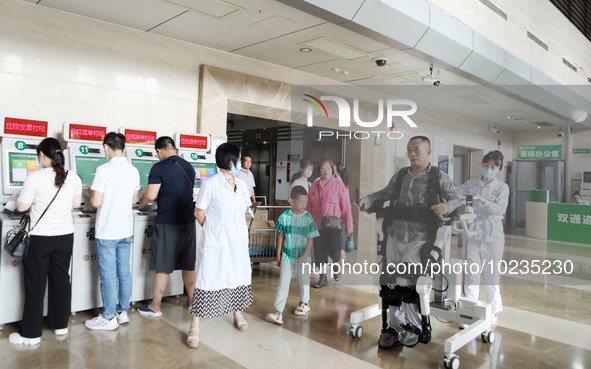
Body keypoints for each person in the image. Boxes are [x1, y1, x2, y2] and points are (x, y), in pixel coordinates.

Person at [356, 136, 462, 348]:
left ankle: (415, 326)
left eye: (417, 149)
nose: (412, 154)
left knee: (409, 282)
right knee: (390, 280)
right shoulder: (401, 175)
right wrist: (367, 200)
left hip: (419, 238)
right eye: (409, 150)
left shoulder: (437, 176)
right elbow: (384, 193)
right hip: (395, 235)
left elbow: (456, 197)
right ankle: (395, 326)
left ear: (428, 151)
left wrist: (448, 206)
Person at [9, 138, 82, 345]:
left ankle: (30, 334)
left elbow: (22, 207)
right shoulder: (74, 177)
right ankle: (60, 325)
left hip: (40, 238)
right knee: (61, 280)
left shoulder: (36, 178)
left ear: (41, 155)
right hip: (65, 236)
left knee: (35, 284)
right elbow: (76, 203)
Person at [187, 143, 253, 348]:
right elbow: (199, 212)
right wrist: (213, 229)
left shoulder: (241, 184)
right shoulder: (211, 184)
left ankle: (237, 313)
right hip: (216, 243)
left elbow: (244, 210)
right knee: (207, 279)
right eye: (239, 159)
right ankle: (194, 324)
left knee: (237, 276)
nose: (241, 163)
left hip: (238, 242)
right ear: (230, 161)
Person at [84, 132, 140, 331]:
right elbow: (134, 200)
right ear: (124, 148)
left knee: (108, 276)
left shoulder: (103, 170)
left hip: (107, 231)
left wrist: (92, 191)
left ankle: (108, 316)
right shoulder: (133, 170)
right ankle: (122, 311)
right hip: (125, 229)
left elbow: (96, 202)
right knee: (124, 272)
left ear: (105, 147)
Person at [138, 136, 196, 318]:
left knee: (163, 265)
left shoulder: (159, 167)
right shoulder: (189, 167)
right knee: (188, 264)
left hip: (168, 222)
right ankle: (192, 302)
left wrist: (140, 202)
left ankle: (155, 306)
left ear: (159, 151)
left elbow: (151, 195)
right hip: (188, 221)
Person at [459, 150, 510, 324]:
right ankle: (469, 309)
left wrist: (482, 200)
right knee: (471, 275)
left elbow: (500, 209)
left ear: (499, 168)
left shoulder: (502, 188)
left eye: (493, 167)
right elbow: (459, 197)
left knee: (491, 276)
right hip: (472, 235)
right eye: (486, 166)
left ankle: (493, 310)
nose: (489, 169)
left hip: (492, 238)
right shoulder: (471, 184)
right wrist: (465, 203)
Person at [266, 186, 319, 325]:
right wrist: (278, 255)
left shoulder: (308, 218)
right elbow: (281, 237)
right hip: (287, 256)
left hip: (303, 257)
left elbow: (310, 238)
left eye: (305, 202)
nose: (304, 205)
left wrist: (305, 256)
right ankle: (278, 312)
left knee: (304, 281)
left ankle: (304, 303)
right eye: (301, 202)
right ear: (292, 201)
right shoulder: (284, 217)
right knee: (283, 283)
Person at [305, 158, 353, 288]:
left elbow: (347, 206)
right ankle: (322, 278)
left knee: (335, 252)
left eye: (328, 168)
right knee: (319, 253)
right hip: (317, 225)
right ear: (319, 171)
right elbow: (309, 206)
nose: (325, 171)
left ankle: (336, 266)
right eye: (322, 168)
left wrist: (349, 225)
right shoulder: (314, 186)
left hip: (334, 225)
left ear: (332, 170)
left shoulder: (338, 185)